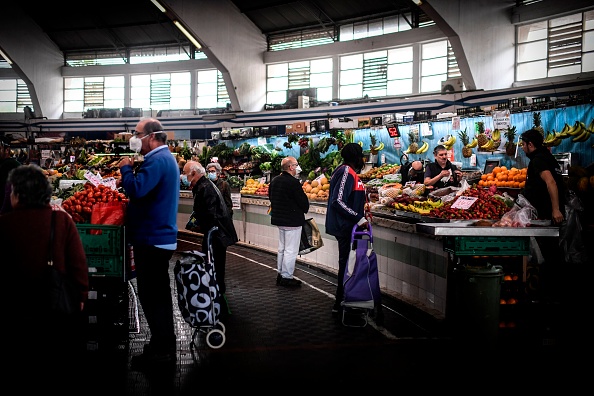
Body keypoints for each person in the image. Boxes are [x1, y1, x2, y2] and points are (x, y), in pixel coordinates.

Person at [0, 164, 88, 390]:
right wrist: (80, 295)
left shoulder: (4, 224)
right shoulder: (61, 220)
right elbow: (78, 263)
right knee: (54, 363)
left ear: (18, 195)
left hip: (15, 307)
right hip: (54, 303)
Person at [117, 117, 180, 370]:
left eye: (137, 133)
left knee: (153, 297)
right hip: (156, 237)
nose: (134, 137)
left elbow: (137, 190)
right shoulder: (164, 159)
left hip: (152, 239)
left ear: (152, 136)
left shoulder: (157, 160)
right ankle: (161, 344)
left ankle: (162, 350)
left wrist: (125, 169)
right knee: (158, 297)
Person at [182, 161, 238, 309]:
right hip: (216, 234)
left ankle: (218, 301)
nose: (184, 177)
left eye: (185, 173)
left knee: (215, 266)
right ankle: (216, 296)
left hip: (216, 235)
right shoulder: (203, 185)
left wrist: (199, 226)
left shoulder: (204, 187)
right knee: (214, 265)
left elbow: (211, 214)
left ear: (194, 173)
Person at [520, 128, 566, 306]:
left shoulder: (538, 160)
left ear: (531, 145)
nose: (523, 148)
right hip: (547, 215)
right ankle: (550, 294)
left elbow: (551, 182)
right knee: (551, 255)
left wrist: (555, 209)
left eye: (524, 145)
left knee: (549, 256)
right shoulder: (548, 157)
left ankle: (548, 296)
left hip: (547, 216)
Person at [325, 143, 369, 314]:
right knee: (346, 263)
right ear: (357, 157)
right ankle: (341, 300)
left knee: (350, 262)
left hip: (348, 226)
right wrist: (359, 218)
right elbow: (338, 201)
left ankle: (346, 298)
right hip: (345, 227)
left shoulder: (347, 172)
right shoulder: (345, 172)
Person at [268, 156, 310, 287]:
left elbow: (271, 197)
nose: (298, 167)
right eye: (296, 164)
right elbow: (303, 203)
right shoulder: (293, 183)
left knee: (282, 248)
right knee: (291, 250)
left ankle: (280, 273)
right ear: (291, 167)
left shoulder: (275, 180)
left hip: (280, 220)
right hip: (292, 221)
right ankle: (287, 277)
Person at [0, 136, 21, 213]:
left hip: (7, 211)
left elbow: (8, 191)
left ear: (7, 150)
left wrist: (2, 212)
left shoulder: (10, 165)